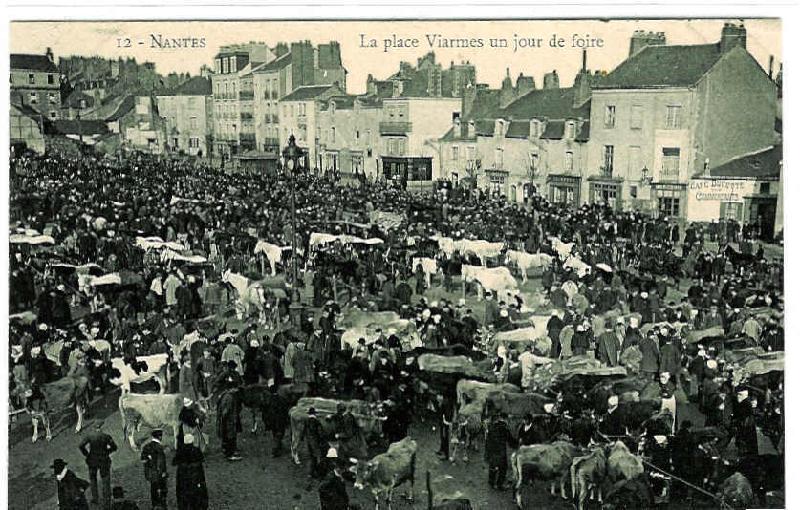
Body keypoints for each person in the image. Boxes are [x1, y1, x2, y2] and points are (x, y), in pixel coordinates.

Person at [78, 420, 117, 509]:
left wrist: (87, 454)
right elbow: (114, 447)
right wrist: (107, 452)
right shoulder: (106, 436)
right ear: (101, 427)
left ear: (94, 428)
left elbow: (81, 446)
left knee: (93, 480)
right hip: (104, 461)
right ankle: (106, 502)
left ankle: (95, 498)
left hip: (92, 461)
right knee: (105, 481)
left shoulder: (90, 436)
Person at [173, 431, 208, 510]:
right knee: (196, 495)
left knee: (184, 495)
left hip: (183, 477)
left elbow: (174, 462)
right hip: (195, 476)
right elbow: (201, 460)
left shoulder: (180, 452)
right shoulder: (196, 451)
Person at [484, 412, 516, 490]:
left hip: (492, 450)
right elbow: (510, 440)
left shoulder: (492, 426)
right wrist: (517, 444)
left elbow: (487, 439)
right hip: (500, 451)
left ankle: (491, 482)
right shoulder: (504, 427)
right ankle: (500, 484)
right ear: (505, 419)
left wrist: (487, 451)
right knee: (503, 468)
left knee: (492, 466)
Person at [140, 429, 168, 510]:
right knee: (162, 489)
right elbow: (161, 462)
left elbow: (143, 460)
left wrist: (149, 460)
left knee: (153, 489)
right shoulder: (159, 447)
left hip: (150, 473)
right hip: (159, 473)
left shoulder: (146, 446)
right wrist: (163, 472)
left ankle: (154, 505)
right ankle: (162, 505)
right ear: (160, 437)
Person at [303, 407, 327, 478]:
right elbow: (320, 433)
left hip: (308, 442)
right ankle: (319, 473)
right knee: (318, 457)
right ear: (314, 414)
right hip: (315, 442)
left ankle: (310, 473)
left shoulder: (306, 421)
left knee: (311, 457)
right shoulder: (317, 422)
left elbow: (304, 431)